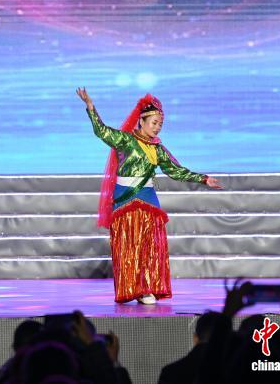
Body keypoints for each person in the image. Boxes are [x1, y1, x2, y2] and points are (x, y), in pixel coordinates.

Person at [76, 88, 221, 304]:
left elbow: (176, 170)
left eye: (160, 124)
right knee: (128, 245)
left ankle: (146, 288)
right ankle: (131, 287)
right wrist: (90, 107)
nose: (157, 127)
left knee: (150, 245)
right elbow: (102, 131)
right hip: (125, 200)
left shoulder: (158, 149)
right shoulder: (125, 140)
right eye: (154, 123)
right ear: (141, 121)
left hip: (149, 200)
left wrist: (203, 179)